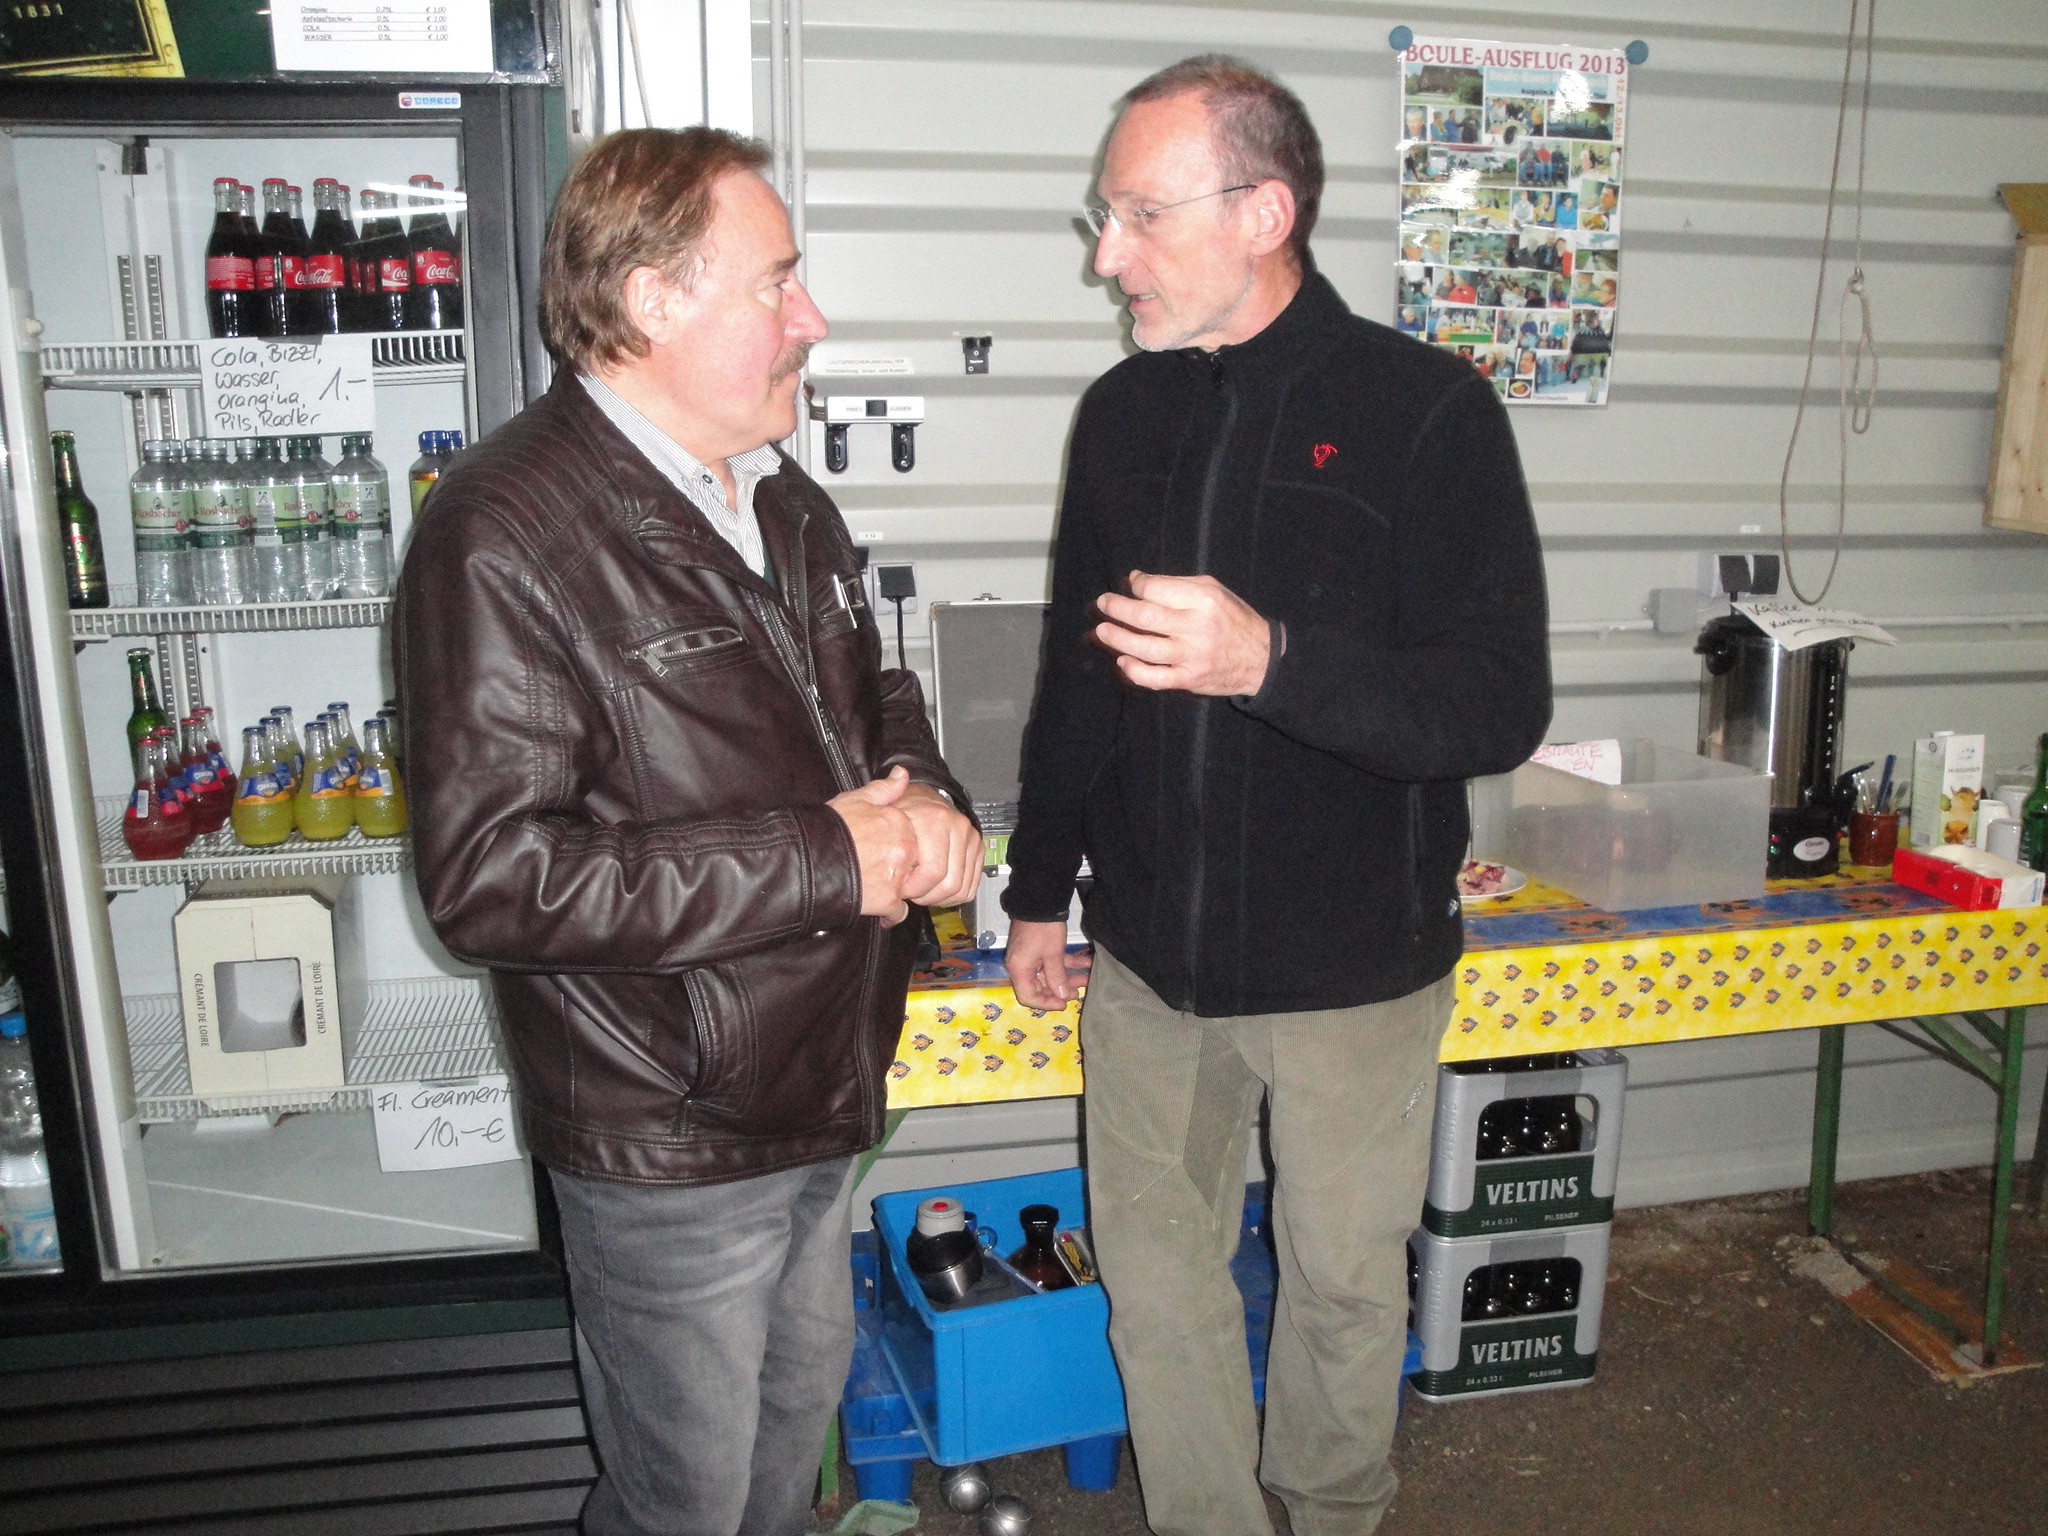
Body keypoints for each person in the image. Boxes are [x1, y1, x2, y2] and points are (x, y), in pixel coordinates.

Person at [395, 127, 978, 1536]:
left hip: (822, 1077)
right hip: (671, 1124)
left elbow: (873, 698)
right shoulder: (504, 531)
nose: (811, 317)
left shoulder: (779, 493)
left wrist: (924, 798)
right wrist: (831, 855)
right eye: (777, 282)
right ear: (653, 299)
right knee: (686, 1499)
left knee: (785, 1449)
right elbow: (492, 879)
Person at [1004, 54, 1550, 1536]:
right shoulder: (1122, 415)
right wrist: (1040, 889)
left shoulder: (1426, 412)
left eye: (1141, 216)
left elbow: (1497, 703)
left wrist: (1269, 661)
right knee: (1156, 1284)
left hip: (1352, 972)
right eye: (1105, 218)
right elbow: (1077, 674)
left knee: (1343, 1285)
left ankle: (1331, 1515)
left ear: (1265, 213)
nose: (1108, 257)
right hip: (1147, 964)